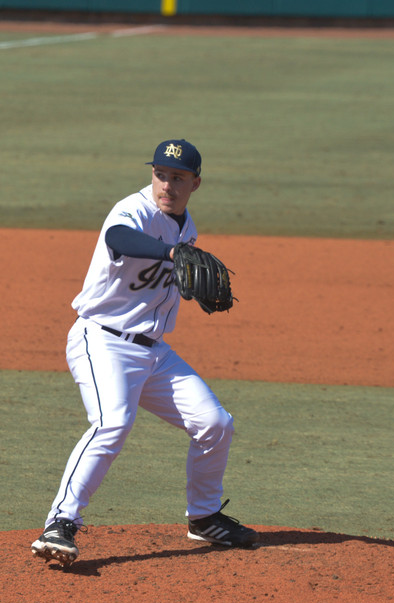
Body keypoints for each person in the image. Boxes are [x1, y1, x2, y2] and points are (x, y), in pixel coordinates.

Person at [31, 139, 259, 566]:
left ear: (195, 183)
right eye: (160, 174)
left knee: (215, 423)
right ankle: (60, 522)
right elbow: (119, 238)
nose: (167, 185)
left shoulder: (185, 224)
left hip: (153, 352)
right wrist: (171, 252)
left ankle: (205, 517)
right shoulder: (131, 210)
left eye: (178, 178)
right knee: (112, 423)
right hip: (103, 341)